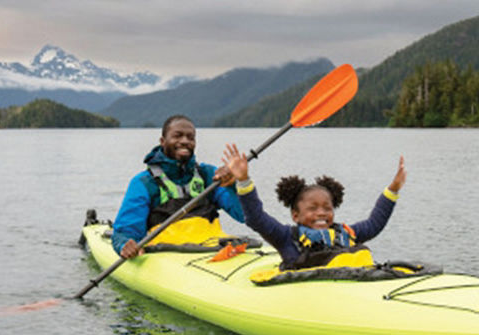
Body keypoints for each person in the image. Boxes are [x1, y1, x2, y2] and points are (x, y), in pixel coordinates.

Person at [222, 143, 406, 270]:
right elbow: (256, 218)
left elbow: (375, 223)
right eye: (312, 208)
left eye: (327, 208)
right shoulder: (286, 237)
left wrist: (393, 190)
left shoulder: (347, 233)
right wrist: (244, 181)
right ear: (296, 215)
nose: (321, 213)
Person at [111, 115, 245, 258]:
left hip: (213, 248)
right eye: (177, 136)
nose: (185, 141)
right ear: (163, 141)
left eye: (190, 137)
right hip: (167, 255)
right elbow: (125, 232)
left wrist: (236, 185)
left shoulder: (209, 175)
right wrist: (125, 244)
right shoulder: (144, 183)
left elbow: (244, 216)